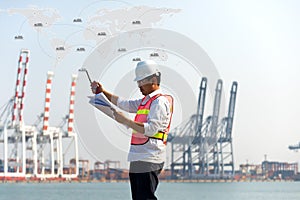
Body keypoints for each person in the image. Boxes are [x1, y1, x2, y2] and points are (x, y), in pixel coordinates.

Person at [91, 60, 173, 200]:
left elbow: (151, 129)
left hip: (149, 157)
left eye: (141, 81)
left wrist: (125, 121)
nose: (139, 85)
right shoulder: (146, 100)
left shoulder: (159, 102)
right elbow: (124, 104)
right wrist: (102, 92)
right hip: (139, 156)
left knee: (144, 197)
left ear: (153, 80)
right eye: (138, 82)